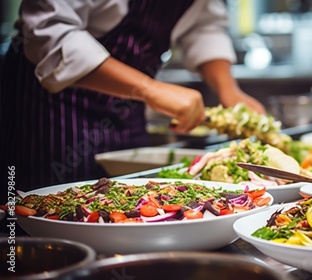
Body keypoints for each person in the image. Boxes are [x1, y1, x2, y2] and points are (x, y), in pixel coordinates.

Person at [0, 0, 266, 192]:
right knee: (42, 209)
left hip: (127, 111)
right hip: (50, 110)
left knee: (128, 201)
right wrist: (150, 90)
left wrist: (229, 90)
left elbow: (204, 24)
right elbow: (49, 31)